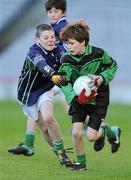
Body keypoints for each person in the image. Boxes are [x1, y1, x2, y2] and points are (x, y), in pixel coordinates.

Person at [57, 20, 121, 170]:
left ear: (83, 42)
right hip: (78, 100)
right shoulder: (66, 59)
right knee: (76, 133)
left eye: (72, 43)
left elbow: (112, 65)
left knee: (91, 137)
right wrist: (74, 98)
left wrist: (102, 78)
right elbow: (63, 82)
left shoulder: (98, 54)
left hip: (99, 99)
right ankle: (81, 164)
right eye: (67, 43)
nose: (69, 47)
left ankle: (107, 131)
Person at [8, 0, 69, 156]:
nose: (50, 40)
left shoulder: (60, 32)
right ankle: (105, 130)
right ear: (37, 40)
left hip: (45, 89)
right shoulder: (34, 52)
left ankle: (63, 153)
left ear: (63, 12)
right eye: (50, 11)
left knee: (50, 118)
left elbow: (64, 56)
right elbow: (42, 65)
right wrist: (57, 75)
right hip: (28, 95)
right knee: (43, 126)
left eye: (52, 37)